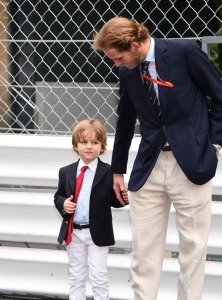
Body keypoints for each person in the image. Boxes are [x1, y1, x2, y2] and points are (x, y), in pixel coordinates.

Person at [92, 16, 222, 300]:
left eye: (117, 58)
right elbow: (126, 121)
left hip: (191, 165)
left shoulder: (184, 51)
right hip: (148, 167)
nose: (115, 64)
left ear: (134, 45)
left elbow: (219, 97)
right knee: (143, 252)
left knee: (193, 249)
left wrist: (214, 146)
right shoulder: (128, 70)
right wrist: (118, 171)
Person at [54, 118, 128, 300]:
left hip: (97, 234)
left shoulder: (109, 172)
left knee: (98, 276)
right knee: (76, 275)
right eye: (84, 142)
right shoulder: (66, 172)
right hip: (74, 232)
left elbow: (115, 201)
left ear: (102, 147)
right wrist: (63, 204)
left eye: (95, 142)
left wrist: (123, 198)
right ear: (75, 146)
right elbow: (58, 196)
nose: (89, 147)